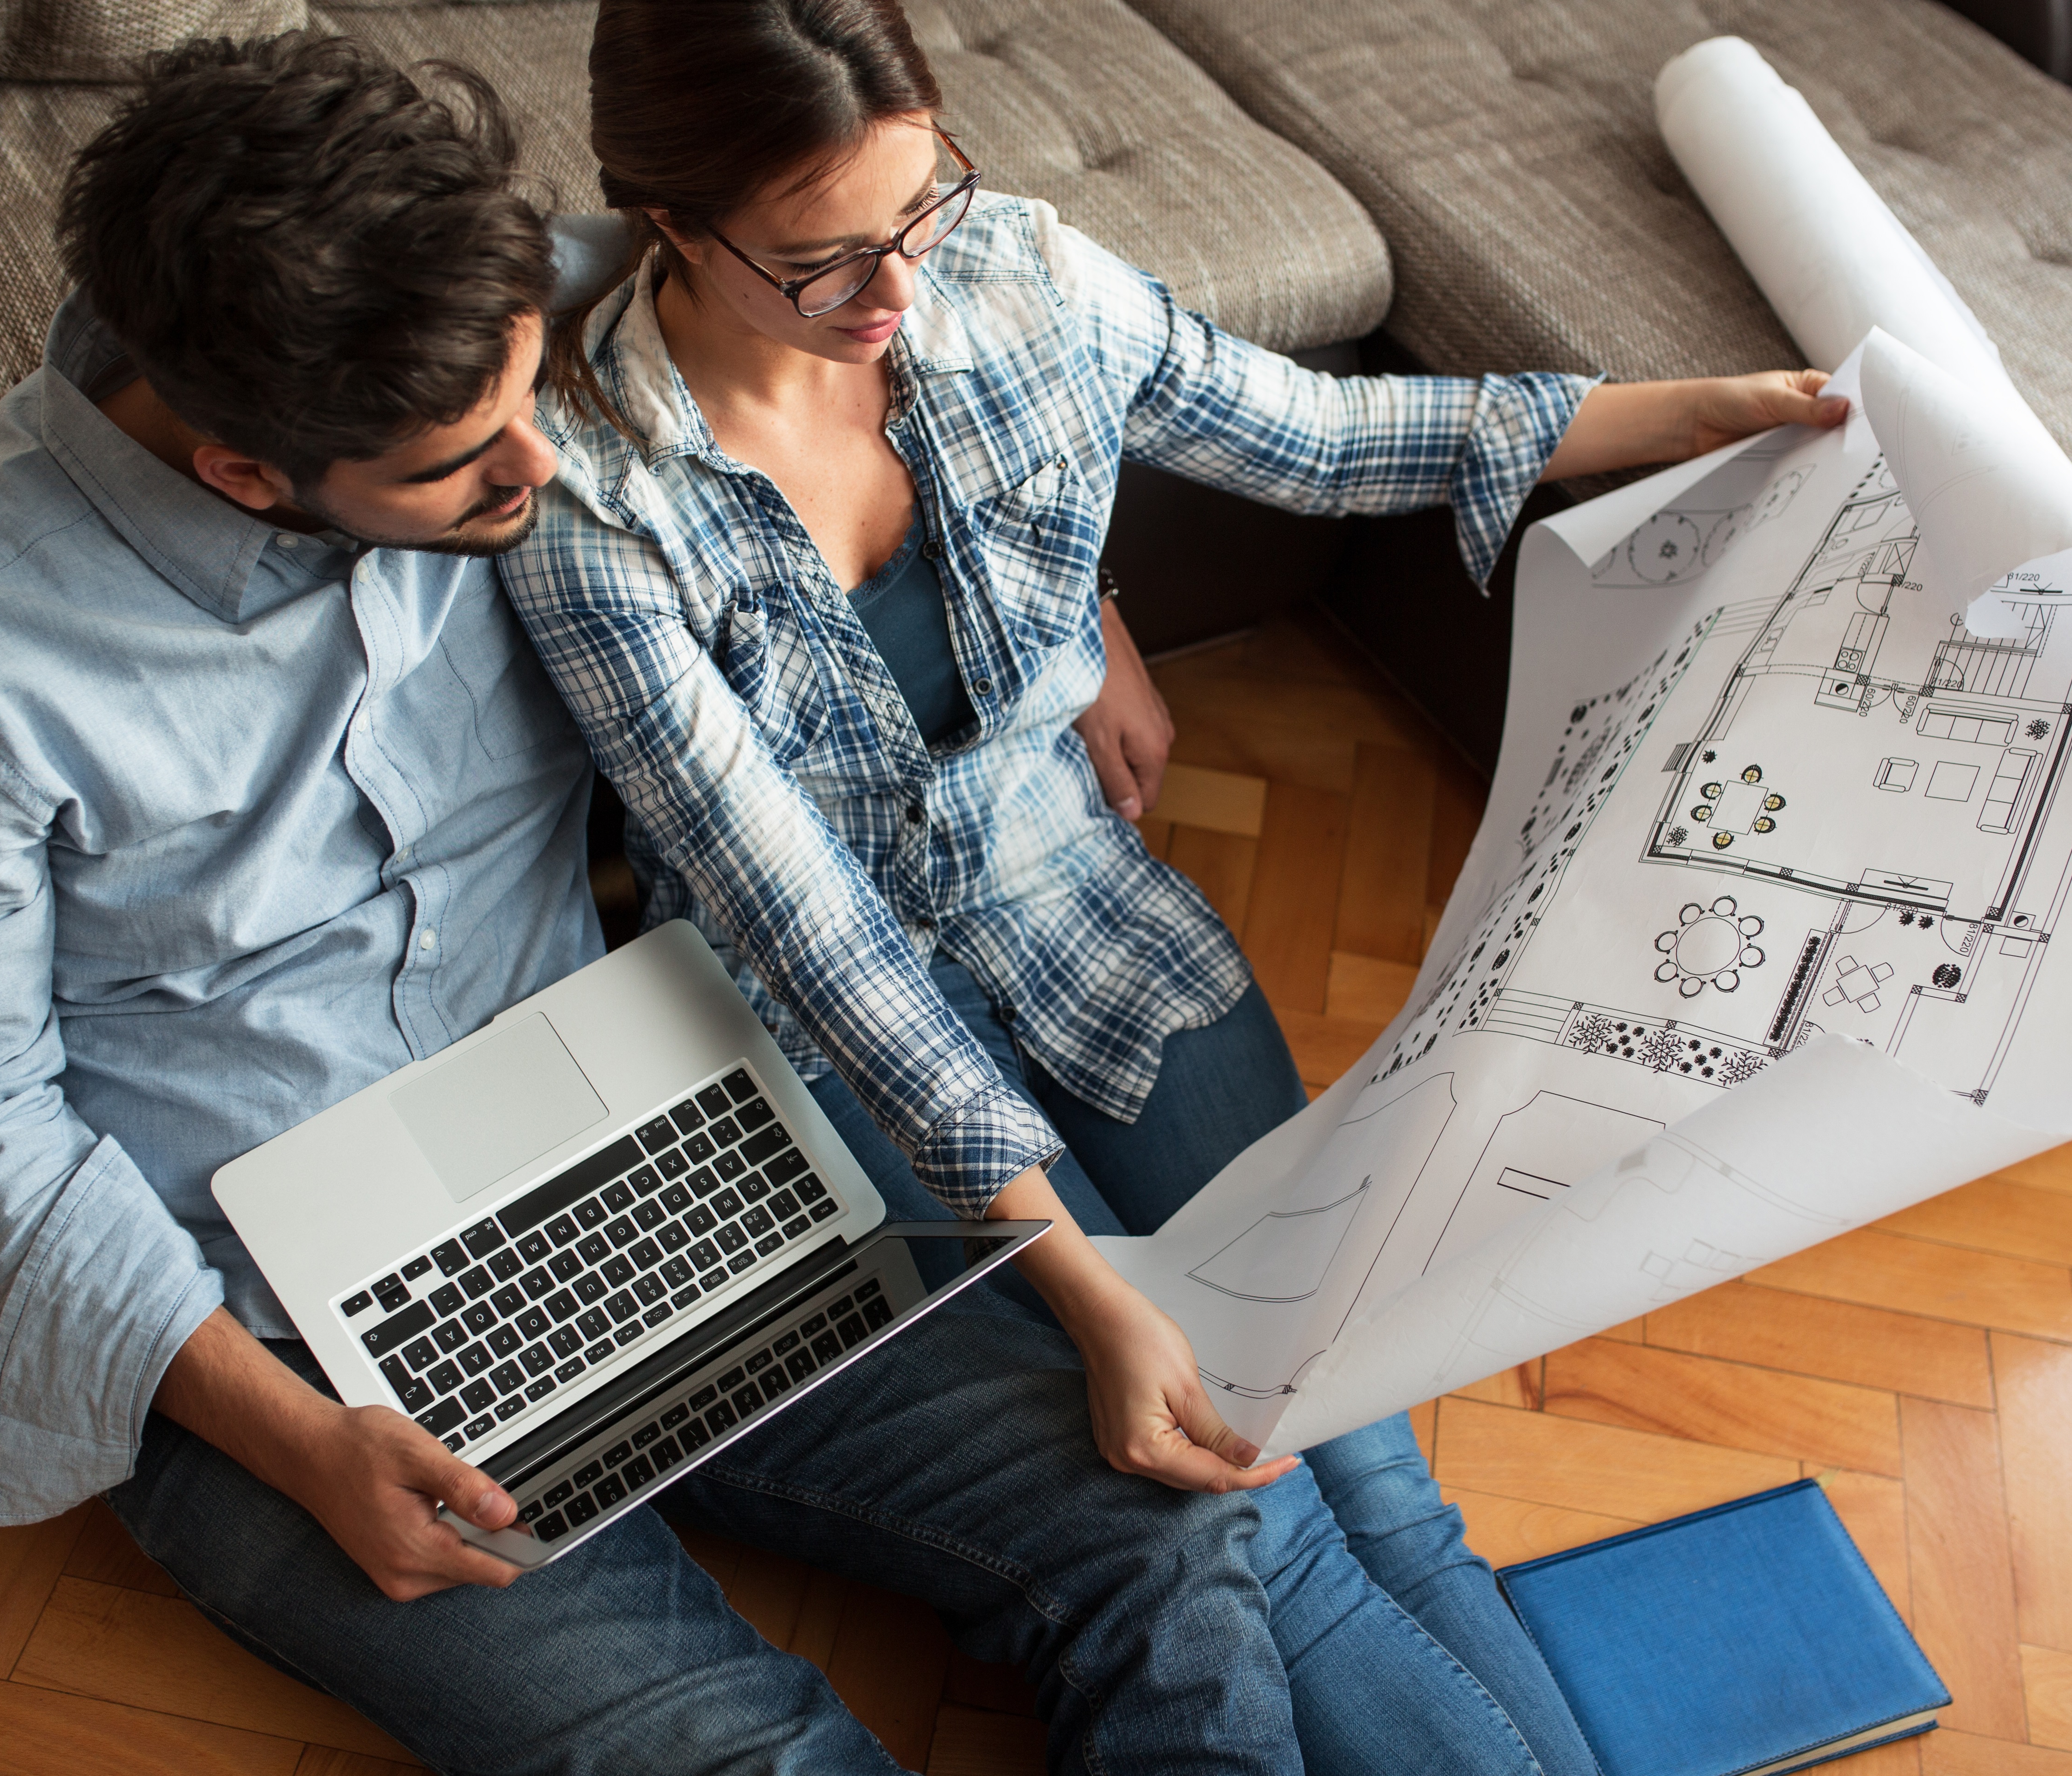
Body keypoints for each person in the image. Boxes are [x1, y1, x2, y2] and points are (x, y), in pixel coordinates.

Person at [0, 33, 1375, 1775]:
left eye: (536, 395)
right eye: (468, 467)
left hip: (649, 1156)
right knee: (742, 1754)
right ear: (248, 472)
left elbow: (910, 329)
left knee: (1160, 1524)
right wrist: (303, 1447)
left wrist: (1099, 617)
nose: (553, 476)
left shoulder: (543, 312)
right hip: (263, 1325)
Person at [504, 1, 1847, 1770]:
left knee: (1370, 1467)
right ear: (669, 221)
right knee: (1267, 1524)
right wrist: (1091, 1292)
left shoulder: (1017, 279)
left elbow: (1328, 435)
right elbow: (815, 944)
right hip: (825, 1044)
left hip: (1091, 915)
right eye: (822, 265)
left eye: (919, 210)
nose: (894, 295)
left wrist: (1739, 413)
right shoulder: (592, 496)